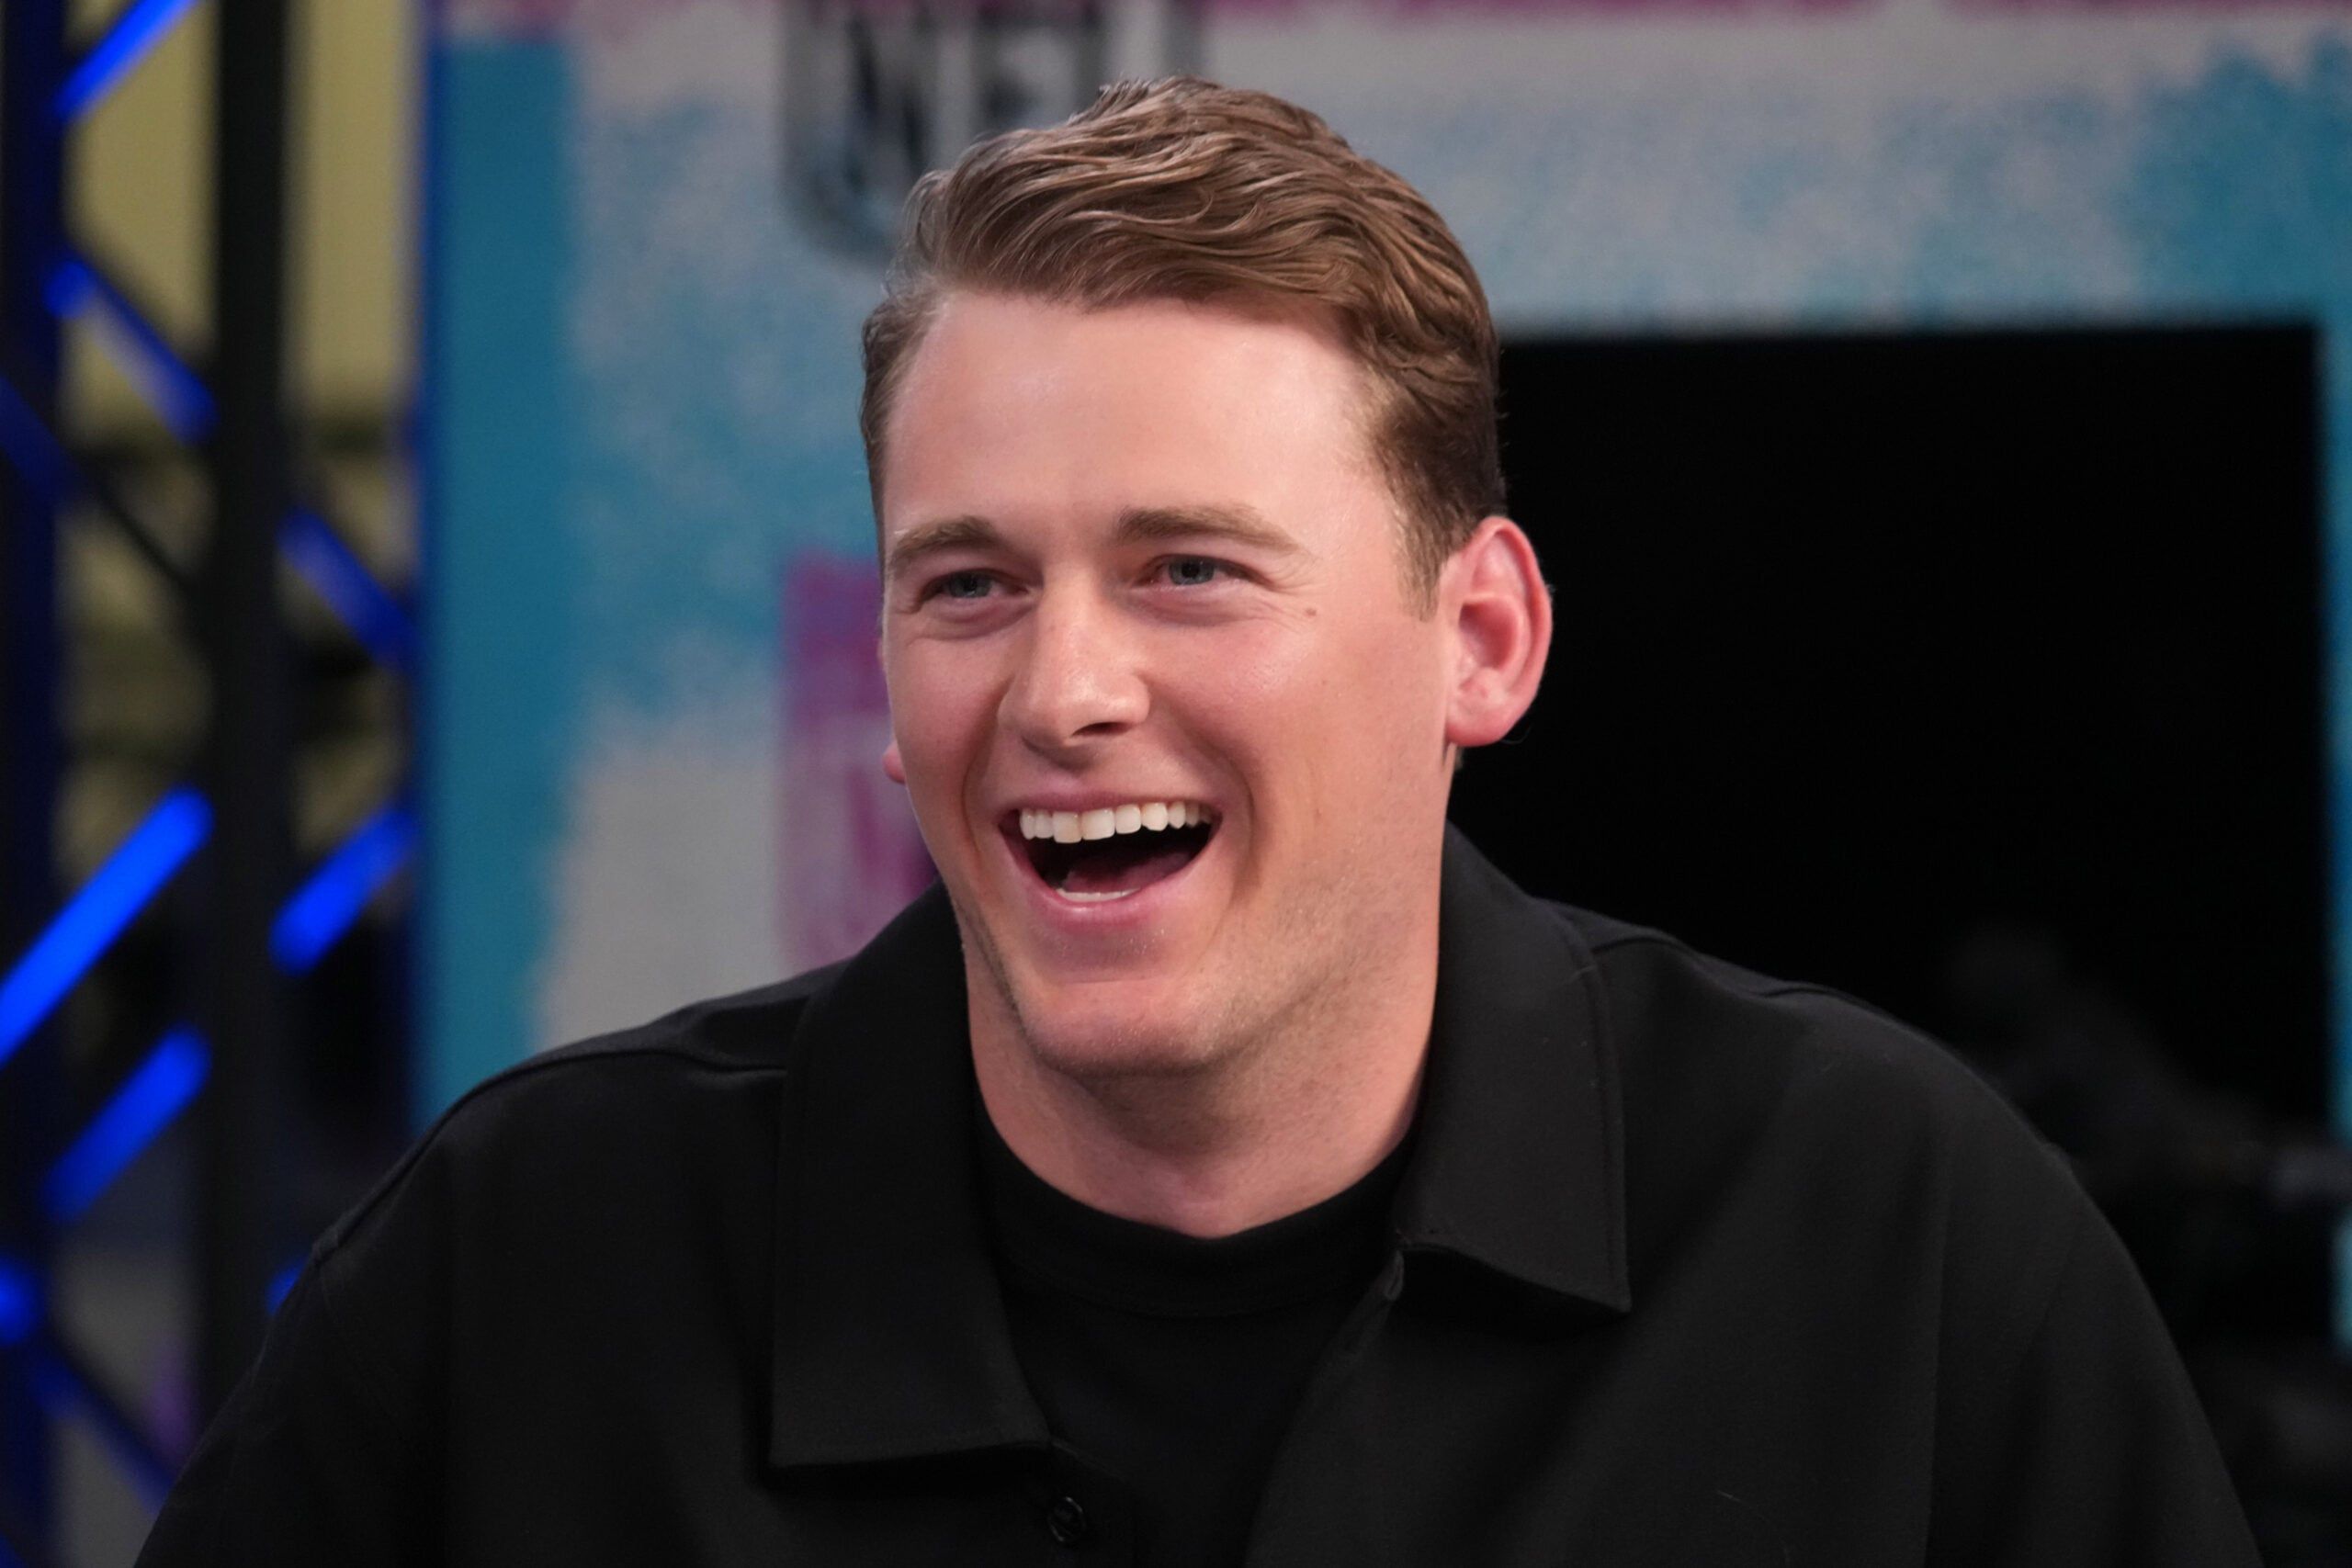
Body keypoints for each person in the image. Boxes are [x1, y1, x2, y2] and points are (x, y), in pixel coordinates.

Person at [139, 77, 2258, 1566]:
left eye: (1189, 570)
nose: (1060, 689)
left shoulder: (1891, 1240)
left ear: (1482, 640)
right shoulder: (524, 1270)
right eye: (968, 582)